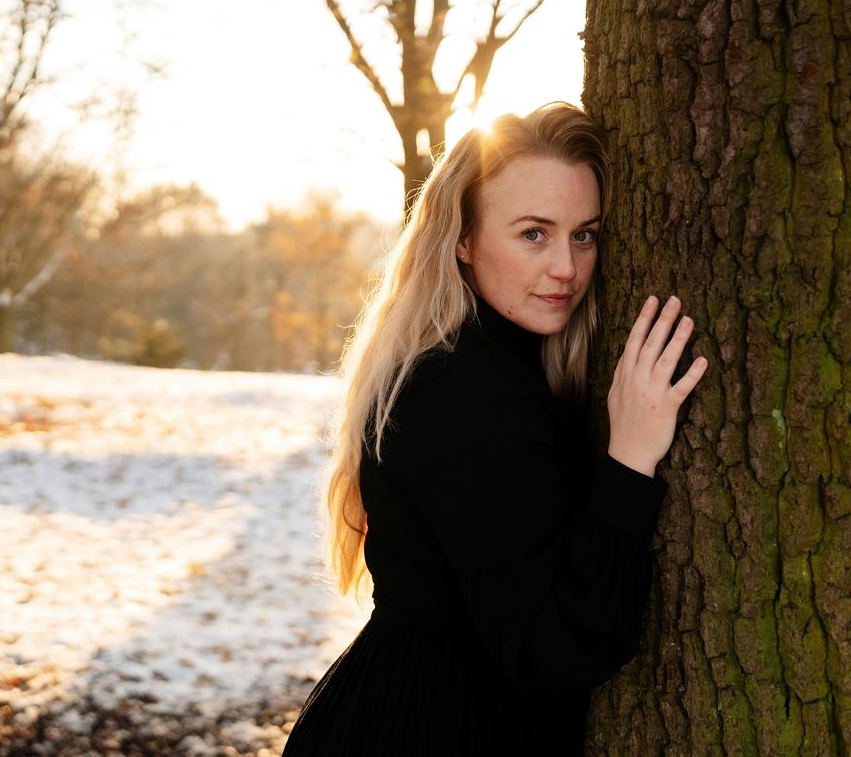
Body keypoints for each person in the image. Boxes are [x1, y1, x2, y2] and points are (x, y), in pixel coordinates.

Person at [281, 102, 708, 756]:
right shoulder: (461, 393)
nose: (566, 266)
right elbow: (553, 650)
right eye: (533, 233)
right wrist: (629, 461)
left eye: (584, 234)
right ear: (463, 238)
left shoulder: (490, 368)